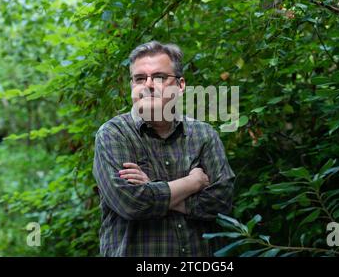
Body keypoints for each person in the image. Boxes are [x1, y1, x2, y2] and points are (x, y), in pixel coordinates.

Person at [93, 41, 235, 256]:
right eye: (139, 78)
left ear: (180, 85)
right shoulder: (113, 134)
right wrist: (191, 183)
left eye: (159, 77)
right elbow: (132, 203)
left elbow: (221, 202)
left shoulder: (204, 134)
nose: (148, 84)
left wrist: (151, 188)